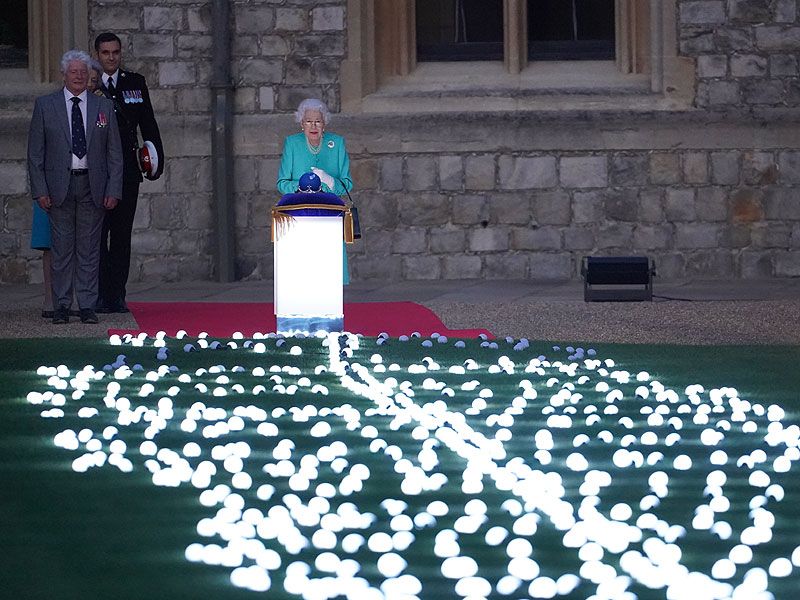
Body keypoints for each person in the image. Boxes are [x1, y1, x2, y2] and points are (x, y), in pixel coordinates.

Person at [27, 49, 123, 324]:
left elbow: (114, 153)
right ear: (64, 75)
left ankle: (87, 306)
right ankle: (61, 305)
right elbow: (35, 154)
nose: (79, 76)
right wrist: (40, 190)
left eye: (83, 72)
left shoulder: (103, 107)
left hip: (93, 185)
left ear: (89, 75)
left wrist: (113, 190)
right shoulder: (46, 106)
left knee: (90, 250)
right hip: (59, 186)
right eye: (74, 72)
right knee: (61, 250)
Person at [94, 32, 164, 313]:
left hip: (127, 170)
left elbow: (148, 123)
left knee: (121, 237)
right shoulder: (90, 84)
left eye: (115, 52)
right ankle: (99, 295)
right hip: (97, 171)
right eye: (105, 53)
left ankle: (117, 296)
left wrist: (156, 162)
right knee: (98, 237)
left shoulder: (134, 83)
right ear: (97, 54)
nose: (111, 57)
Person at [276, 98, 354, 283]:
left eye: (318, 121)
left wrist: (329, 180)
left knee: (328, 272)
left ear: (324, 124)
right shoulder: (292, 144)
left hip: (330, 214)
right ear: (301, 123)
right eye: (308, 121)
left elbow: (347, 185)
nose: (313, 125)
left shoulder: (337, 143)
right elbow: (281, 183)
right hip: (299, 214)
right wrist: (303, 185)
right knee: (304, 272)